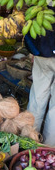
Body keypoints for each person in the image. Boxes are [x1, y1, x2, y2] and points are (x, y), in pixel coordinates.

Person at [25, 11, 55, 147]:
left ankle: (28, 140)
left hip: (42, 50)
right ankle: (48, 148)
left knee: (37, 97)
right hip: (45, 52)